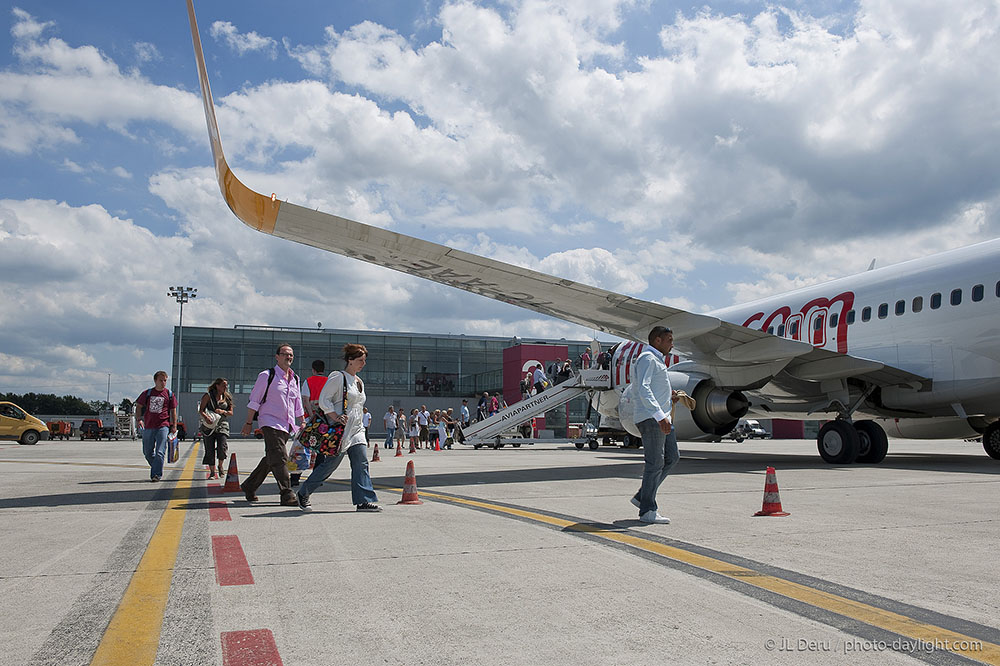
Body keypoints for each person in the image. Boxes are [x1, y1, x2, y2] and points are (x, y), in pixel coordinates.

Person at [297, 344, 381, 513]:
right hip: (340, 430)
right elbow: (324, 399)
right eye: (360, 360)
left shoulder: (359, 381)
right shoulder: (338, 377)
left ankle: (363, 500)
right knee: (330, 465)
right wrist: (334, 416)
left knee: (361, 463)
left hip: (357, 429)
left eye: (364, 360)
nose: (363, 363)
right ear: (350, 360)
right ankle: (304, 492)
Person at [239, 344, 305, 506]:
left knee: (272, 458)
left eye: (291, 355)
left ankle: (249, 485)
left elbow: (297, 403)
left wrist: (302, 420)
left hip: (286, 425)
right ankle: (286, 493)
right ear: (277, 357)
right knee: (280, 457)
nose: (288, 357)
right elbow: (254, 401)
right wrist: (248, 423)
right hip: (269, 422)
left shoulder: (295, 378)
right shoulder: (267, 376)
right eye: (284, 354)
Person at [630, 326, 679, 525]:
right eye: (669, 339)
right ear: (657, 340)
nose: (672, 344)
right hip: (653, 419)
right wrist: (659, 416)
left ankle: (643, 496)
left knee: (672, 457)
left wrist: (670, 397)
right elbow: (643, 388)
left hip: (662, 417)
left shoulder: (656, 360)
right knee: (655, 463)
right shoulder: (647, 358)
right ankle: (647, 510)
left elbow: (654, 389)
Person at [135, 370, 177, 482]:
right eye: (161, 380)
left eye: (165, 381)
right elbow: (138, 406)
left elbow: (173, 411)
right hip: (148, 426)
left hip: (163, 426)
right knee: (147, 452)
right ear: (155, 381)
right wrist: (139, 419)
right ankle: (156, 466)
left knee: (160, 452)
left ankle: (156, 475)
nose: (163, 383)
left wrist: (174, 425)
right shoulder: (147, 393)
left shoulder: (169, 394)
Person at [293, 359, 329, 487]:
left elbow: (305, 399)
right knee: (320, 451)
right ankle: (317, 479)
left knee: (301, 447)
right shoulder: (329, 382)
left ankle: (295, 477)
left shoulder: (308, 381)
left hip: (310, 418)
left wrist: (311, 414)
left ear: (313, 369)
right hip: (325, 419)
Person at [199, 377, 233, 479]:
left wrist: (223, 412)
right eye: (223, 385)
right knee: (209, 448)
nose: (225, 387)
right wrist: (206, 417)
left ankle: (220, 465)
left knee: (222, 446)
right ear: (217, 386)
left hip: (222, 424)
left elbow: (231, 412)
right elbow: (201, 410)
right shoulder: (208, 396)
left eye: (226, 385)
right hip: (209, 425)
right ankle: (212, 472)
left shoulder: (227, 397)